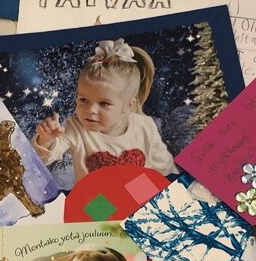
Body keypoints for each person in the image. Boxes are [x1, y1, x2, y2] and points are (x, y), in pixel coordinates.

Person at [32, 39, 178, 181]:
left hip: (141, 190)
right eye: (83, 100)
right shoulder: (76, 129)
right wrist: (46, 141)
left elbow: (165, 167)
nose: (91, 110)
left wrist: (172, 188)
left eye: (104, 103)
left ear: (128, 105)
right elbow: (45, 157)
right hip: (97, 195)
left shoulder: (145, 126)